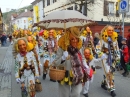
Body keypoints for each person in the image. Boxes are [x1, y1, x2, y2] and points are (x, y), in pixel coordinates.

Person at [53, 26, 85, 97]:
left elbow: (82, 59)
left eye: (76, 38)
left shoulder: (79, 48)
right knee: (64, 95)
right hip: (65, 75)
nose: (75, 40)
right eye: (72, 39)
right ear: (68, 39)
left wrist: (86, 67)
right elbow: (56, 63)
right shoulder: (62, 49)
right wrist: (63, 58)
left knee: (76, 93)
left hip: (77, 73)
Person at [96, 25, 120, 97]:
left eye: (112, 30)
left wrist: (118, 57)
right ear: (106, 31)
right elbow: (97, 49)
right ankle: (112, 89)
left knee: (111, 72)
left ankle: (103, 83)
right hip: (105, 58)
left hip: (113, 58)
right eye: (109, 30)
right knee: (108, 72)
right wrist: (101, 54)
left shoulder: (115, 40)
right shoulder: (102, 40)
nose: (111, 31)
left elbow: (117, 49)